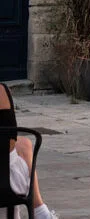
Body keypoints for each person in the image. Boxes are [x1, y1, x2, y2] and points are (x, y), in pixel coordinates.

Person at [2, 84, 57, 219]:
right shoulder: (2, 92)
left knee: (24, 144)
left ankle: (41, 212)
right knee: (24, 144)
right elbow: (10, 141)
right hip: (8, 184)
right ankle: (41, 212)